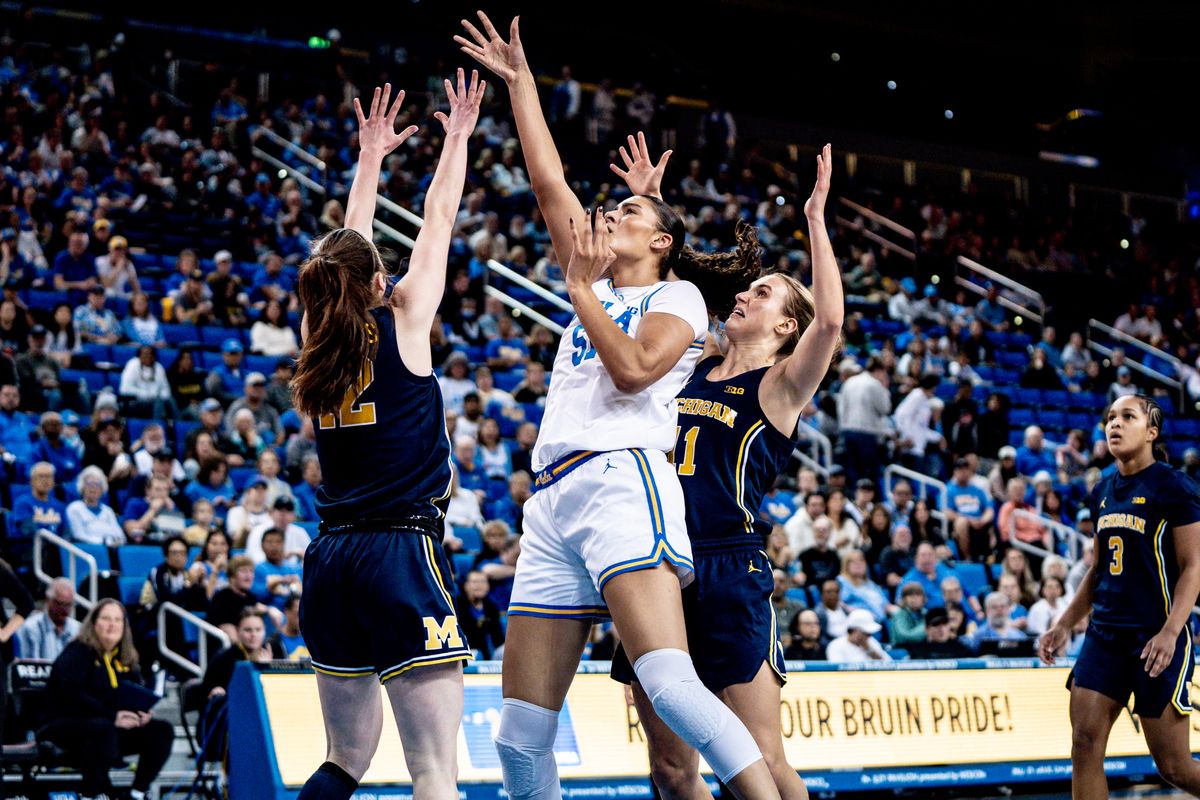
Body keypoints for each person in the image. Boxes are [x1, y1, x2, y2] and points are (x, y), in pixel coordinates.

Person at [460, 14, 784, 798]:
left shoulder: (677, 298)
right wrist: (522, 84)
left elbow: (637, 371)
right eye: (611, 212)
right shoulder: (597, 284)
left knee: (671, 686)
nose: (611, 214)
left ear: (664, 240)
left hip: (623, 483)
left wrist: (581, 287)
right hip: (552, 499)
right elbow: (546, 181)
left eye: (631, 213)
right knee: (518, 738)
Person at [293, 77, 482, 800]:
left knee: (345, 758)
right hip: (399, 551)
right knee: (433, 770)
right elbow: (438, 218)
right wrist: (457, 135)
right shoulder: (403, 326)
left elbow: (347, 251)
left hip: (332, 559)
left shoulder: (318, 339)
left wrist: (370, 158)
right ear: (379, 283)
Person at [1040, 395, 1200, 798]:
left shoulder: (1174, 486)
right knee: (1084, 744)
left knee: (1174, 768)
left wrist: (1171, 631)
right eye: (1110, 417)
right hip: (1104, 637)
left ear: (1151, 431)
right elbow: (1097, 569)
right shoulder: (1102, 490)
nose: (1114, 424)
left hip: (1155, 638)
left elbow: (1194, 566)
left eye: (1127, 416)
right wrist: (1064, 623)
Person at [40, 599, 174, 800]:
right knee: (103, 729)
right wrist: (113, 716)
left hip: (108, 726)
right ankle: (94, 793)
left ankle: (136, 792)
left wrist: (142, 713)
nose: (112, 625)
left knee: (162, 731)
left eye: (118, 620)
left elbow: (136, 693)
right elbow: (71, 697)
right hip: (66, 724)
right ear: (94, 623)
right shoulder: (78, 651)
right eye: (106, 619)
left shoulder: (126, 658)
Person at [16, 577, 79, 661]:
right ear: (48, 600)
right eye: (60, 603)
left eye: (69, 604)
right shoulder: (30, 627)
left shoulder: (78, 629)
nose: (65, 609)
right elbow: (29, 666)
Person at [66, 465, 125, 546]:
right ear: (82, 487)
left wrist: (111, 543)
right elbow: (79, 535)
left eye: (97, 484)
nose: (93, 488)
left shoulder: (108, 511)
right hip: (87, 551)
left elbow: (121, 536)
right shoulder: (74, 508)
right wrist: (105, 542)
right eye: (89, 484)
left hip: (110, 551)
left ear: (102, 489)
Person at [453, 570, 505, 660]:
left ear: (488, 586)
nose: (479, 585)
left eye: (483, 582)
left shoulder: (491, 607)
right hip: (465, 652)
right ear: (466, 586)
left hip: (488, 654)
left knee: (504, 651)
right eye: (475, 582)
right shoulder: (457, 605)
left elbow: (498, 638)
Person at [825, 609, 890, 663]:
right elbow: (838, 672)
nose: (869, 636)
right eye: (866, 633)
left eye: (870, 633)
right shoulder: (836, 646)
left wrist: (868, 649)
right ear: (854, 630)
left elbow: (889, 664)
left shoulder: (871, 641)